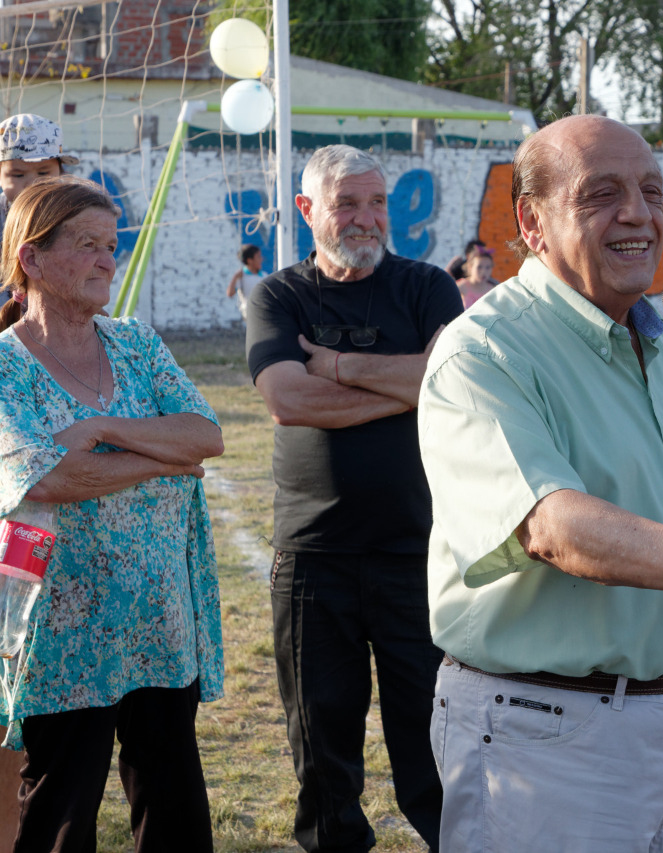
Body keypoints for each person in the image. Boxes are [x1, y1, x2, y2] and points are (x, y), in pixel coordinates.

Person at [419, 114, 663, 852]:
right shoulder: (485, 348)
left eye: (651, 191)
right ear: (532, 223)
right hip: (554, 733)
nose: (638, 212)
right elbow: (548, 524)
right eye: (602, 193)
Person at [245, 145, 462, 853]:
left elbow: (449, 383)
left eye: (377, 203)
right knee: (322, 748)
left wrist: (337, 364)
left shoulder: (426, 286)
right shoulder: (279, 295)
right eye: (347, 204)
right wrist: (406, 384)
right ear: (308, 210)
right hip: (315, 557)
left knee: (433, 741)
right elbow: (285, 398)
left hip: (417, 551)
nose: (367, 219)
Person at [0, 176, 224, 851]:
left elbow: (206, 435)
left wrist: (107, 425)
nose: (107, 259)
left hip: (158, 616)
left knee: (173, 804)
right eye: (88, 245)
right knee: (62, 812)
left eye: (111, 245)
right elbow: (50, 477)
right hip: (62, 629)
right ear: (30, 260)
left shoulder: (136, 344)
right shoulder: (5, 366)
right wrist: (164, 456)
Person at [0, 114, 78, 237]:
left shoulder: (74, 210)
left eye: (43, 173)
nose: (32, 184)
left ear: (60, 173)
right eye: (18, 175)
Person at [226, 243, 265, 321]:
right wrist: (235, 277)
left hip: (263, 312)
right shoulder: (242, 276)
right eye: (258, 257)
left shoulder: (264, 276)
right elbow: (230, 294)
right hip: (249, 314)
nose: (261, 259)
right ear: (250, 260)